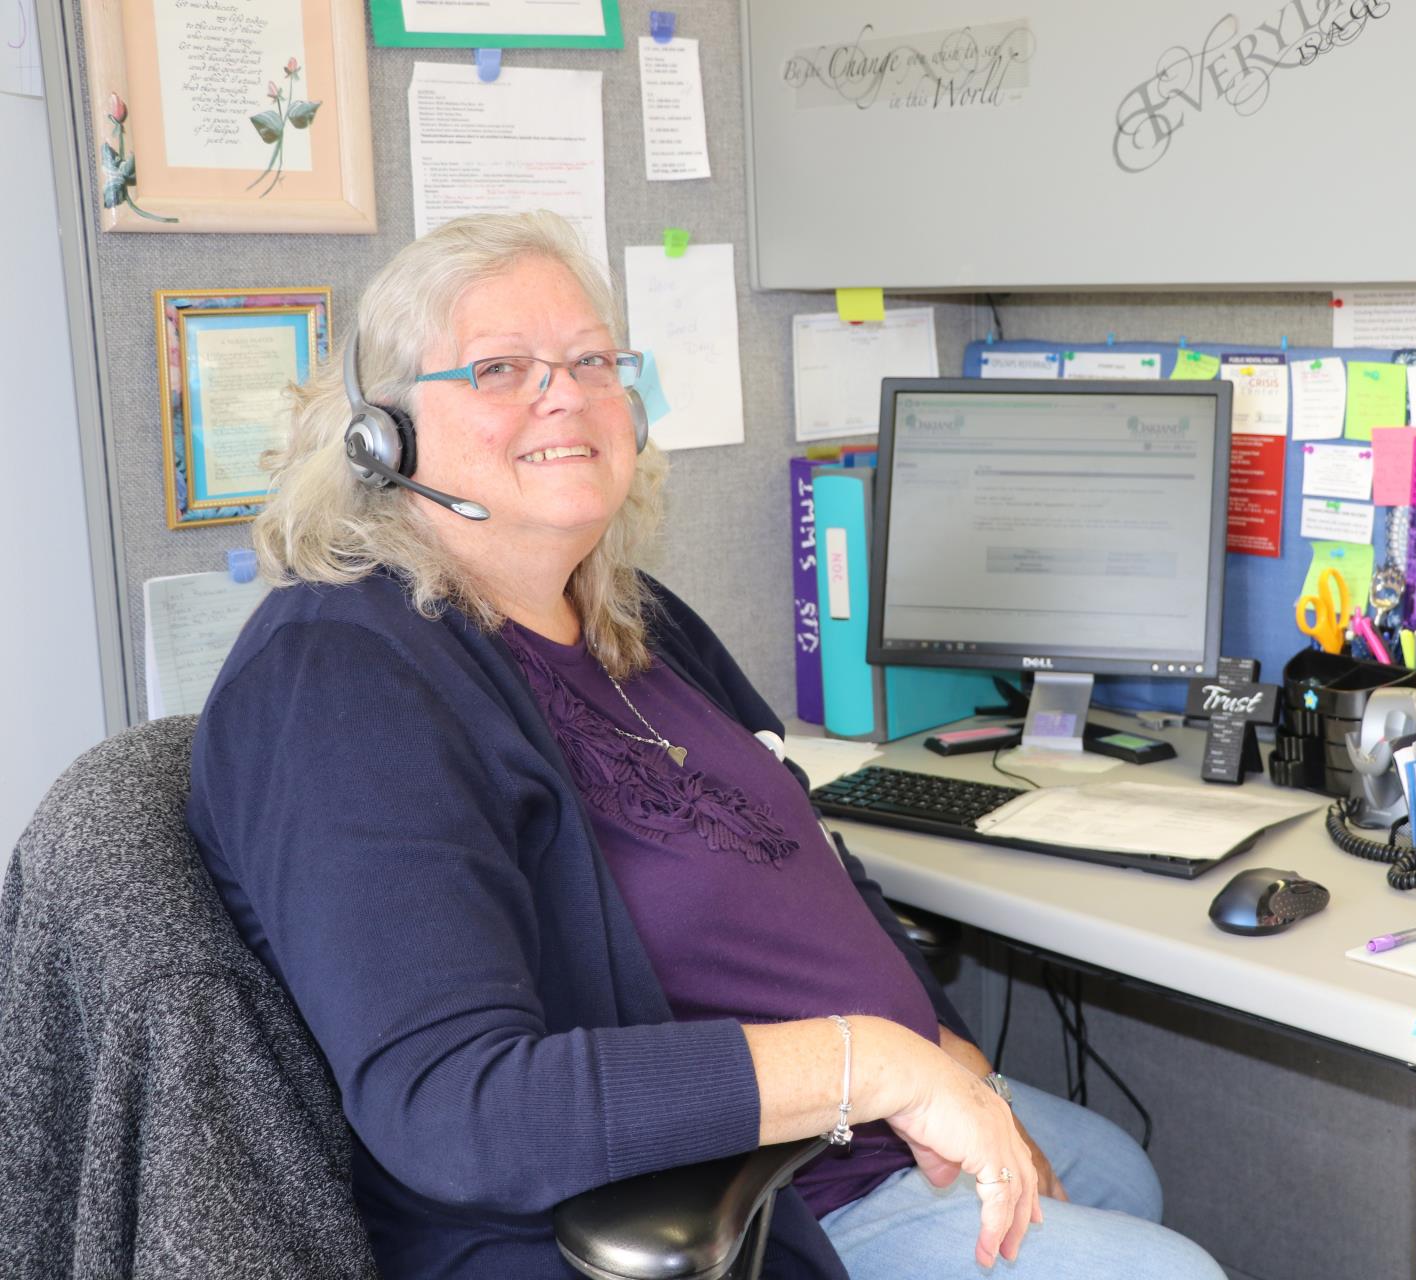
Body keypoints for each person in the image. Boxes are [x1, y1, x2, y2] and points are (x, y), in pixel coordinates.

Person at [187, 211, 1226, 1280]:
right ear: (382, 434)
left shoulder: (635, 617)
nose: (565, 391)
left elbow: (814, 859)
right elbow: (461, 1106)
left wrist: (943, 1042)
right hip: (705, 1203)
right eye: (499, 368)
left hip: (844, 1126)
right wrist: (877, 1067)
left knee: (1113, 1170)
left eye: (592, 360)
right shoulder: (343, 673)